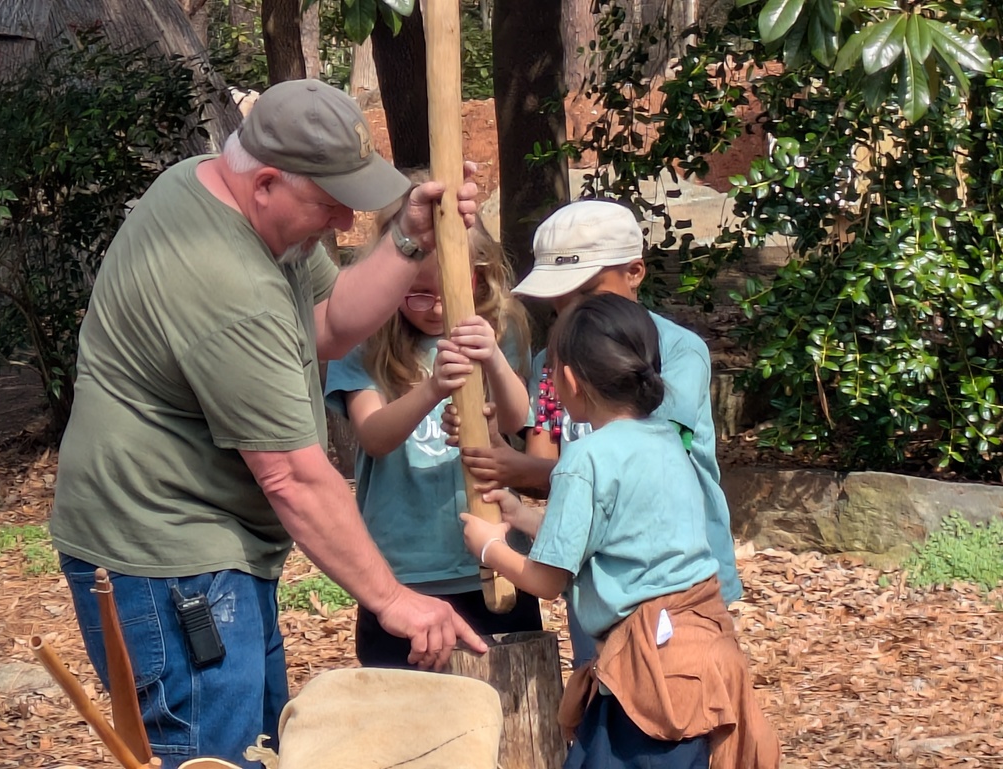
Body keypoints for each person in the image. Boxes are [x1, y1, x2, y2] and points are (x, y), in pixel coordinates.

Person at [49, 78, 488, 769]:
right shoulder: (227, 283)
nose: (344, 221)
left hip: (209, 544)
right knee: (217, 758)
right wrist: (393, 599)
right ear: (266, 184)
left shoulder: (217, 188)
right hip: (166, 560)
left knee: (260, 750)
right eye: (330, 201)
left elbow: (329, 322)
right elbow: (293, 476)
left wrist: (408, 239)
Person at [460, 293, 780, 769]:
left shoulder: (585, 458)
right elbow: (613, 534)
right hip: (700, 657)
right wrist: (521, 516)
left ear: (569, 379)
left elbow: (547, 580)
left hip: (648, 674)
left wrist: (490, 548)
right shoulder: (666, 440)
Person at [445, 199, 742, 664]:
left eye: (585, 292)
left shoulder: (678, 353)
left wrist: (510, 489)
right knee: (609, 680)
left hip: (676, 583)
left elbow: (629, 473)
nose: (570, 311)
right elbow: (550, 462)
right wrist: (502, 461)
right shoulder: (553, 362)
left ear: (635, 272)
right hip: (599, 578)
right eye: (558, 299)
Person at [324, 217, 543, 668]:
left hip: (495, 558)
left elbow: (516, 421)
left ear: (479, 276)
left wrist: (494, 360)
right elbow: (373, 436)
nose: (437, 307)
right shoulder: (365, 342)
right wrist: (432, 389)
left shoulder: (500, 331)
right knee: (407, 700)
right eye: (419, 293)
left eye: (450, 288)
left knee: (504, 696)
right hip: (405, 571)